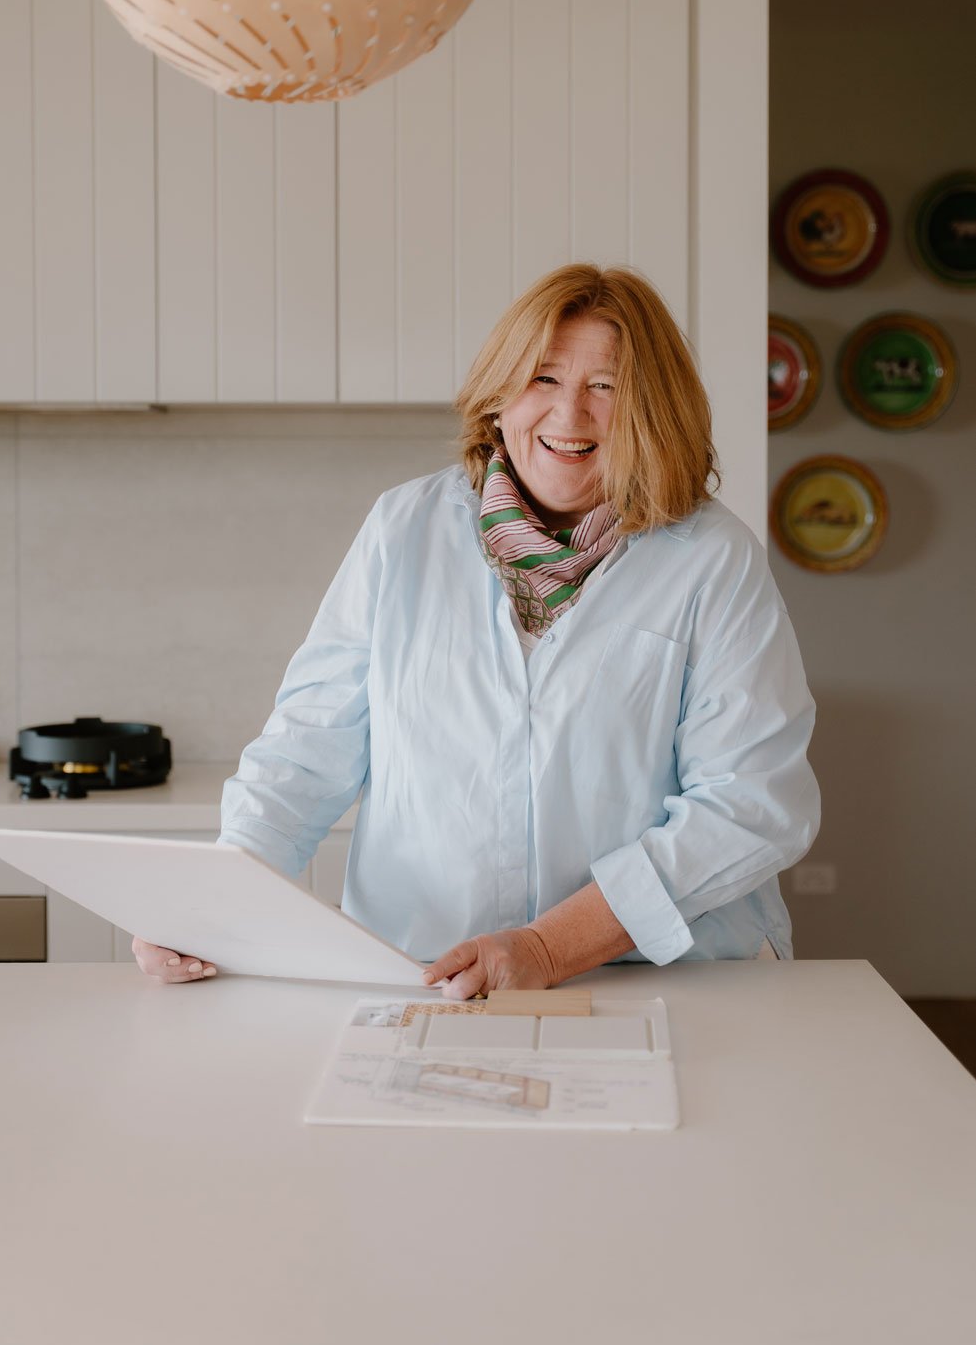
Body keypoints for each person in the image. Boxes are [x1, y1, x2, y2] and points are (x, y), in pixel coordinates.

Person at [133, 263, 820, 991]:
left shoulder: (713, 559)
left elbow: (751, 805)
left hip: (655, 976)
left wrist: (550, 947)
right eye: (544, 378)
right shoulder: (404, 529)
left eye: (606, 387)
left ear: (654, 408)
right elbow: (306, 752)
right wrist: (208, 906)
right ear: (500, 395)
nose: (568, 415)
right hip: (428, 973)